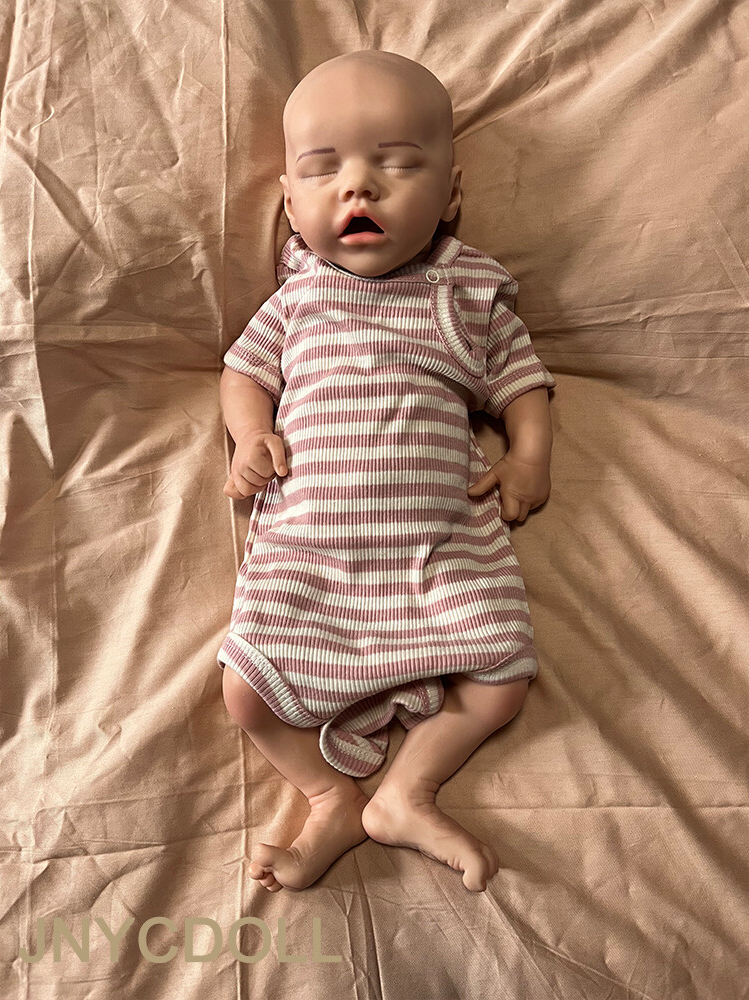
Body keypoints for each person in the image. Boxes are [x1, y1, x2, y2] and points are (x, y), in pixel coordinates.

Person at [218, 50, 556, 893]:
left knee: (502, 677)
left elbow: (522, 381)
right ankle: (328, 795)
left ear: (450, 195)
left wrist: (528, 454)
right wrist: (251, 434)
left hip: (437, 550)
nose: (358, 187)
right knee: (244, 691)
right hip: (310, 553)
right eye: (323, 170)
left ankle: (407, 790)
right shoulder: (297, 298)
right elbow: (243, 372)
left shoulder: (467, 292)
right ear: (291, 204)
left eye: (397, 165)